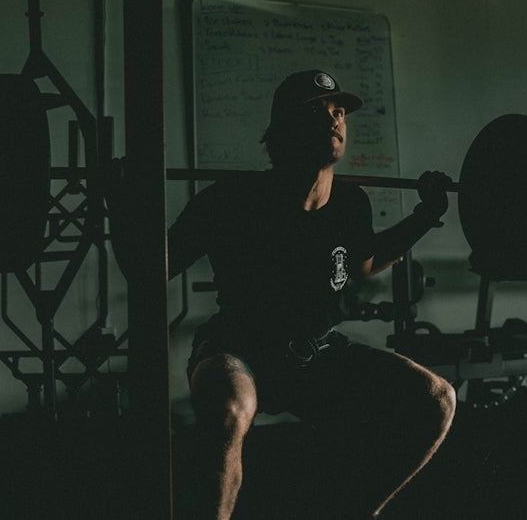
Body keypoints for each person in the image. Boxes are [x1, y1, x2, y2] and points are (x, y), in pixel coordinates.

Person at [163, 69, 457, 519]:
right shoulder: (229, 200)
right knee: (229, 408)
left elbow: (363, 265)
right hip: (237, 349)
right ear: (282, 130)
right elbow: (152, 268)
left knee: (436, 398)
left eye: (338, 112)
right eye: (317, 111)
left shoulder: (350, 203)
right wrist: (123, 200)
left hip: (315, 353)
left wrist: (425, 214)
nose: (334, 119)